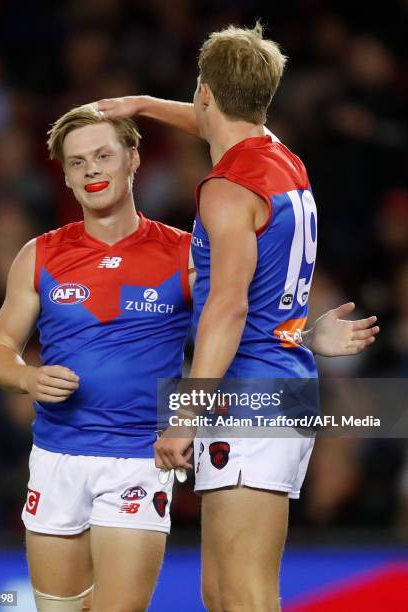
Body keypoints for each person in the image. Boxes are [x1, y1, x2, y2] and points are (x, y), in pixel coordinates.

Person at [0, 104, 377, 612]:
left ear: (133, 159)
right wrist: (26, 379)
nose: (92, 171)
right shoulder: (37, 255)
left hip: (137, 460)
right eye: (78, 162)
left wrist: (301, 335)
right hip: (56, 458)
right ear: (63, 174)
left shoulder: (184, 253)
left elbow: (236, 317)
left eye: (104, 155)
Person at [96, 23, 380, 611]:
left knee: (243, 595)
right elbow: (211, 122)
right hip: (279, 381)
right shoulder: (282, 160)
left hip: (251, 393)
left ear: (204, 89)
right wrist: (142, 106)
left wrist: (184, 415)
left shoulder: (227, 189)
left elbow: (228, 307)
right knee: (222, 594)